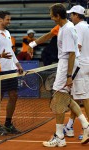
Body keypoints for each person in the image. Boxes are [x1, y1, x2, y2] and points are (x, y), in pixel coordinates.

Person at [42, 3, 89, 147]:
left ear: (57, 16)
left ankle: (60, 137)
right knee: (67, 99)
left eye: (52, 16)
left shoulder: (67, 29)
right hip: (68, 66)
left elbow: (72, 53)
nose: (51, 18)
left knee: (58, 101)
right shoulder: (67, 27)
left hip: (66, 67)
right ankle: (86, 126)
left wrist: (68, 75)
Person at [0, 11, 23, 135]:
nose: (9, 22)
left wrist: (17, 64)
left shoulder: (7, 33)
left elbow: (11, 51)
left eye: (9, 19)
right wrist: (0, 55)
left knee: (14, 96)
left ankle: (8, 124)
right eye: (7, 19)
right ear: (0, 19)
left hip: (11, 69)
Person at [63, 5, 89, 140]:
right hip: (86, 65)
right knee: (75, 98)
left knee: (84, 97)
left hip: (81, 66)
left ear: (77, 15)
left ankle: (88, 129)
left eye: (72, 15)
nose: (70, 17)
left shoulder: (78, 28)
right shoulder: (87, 26)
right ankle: (69, 126)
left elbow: (77, 47)